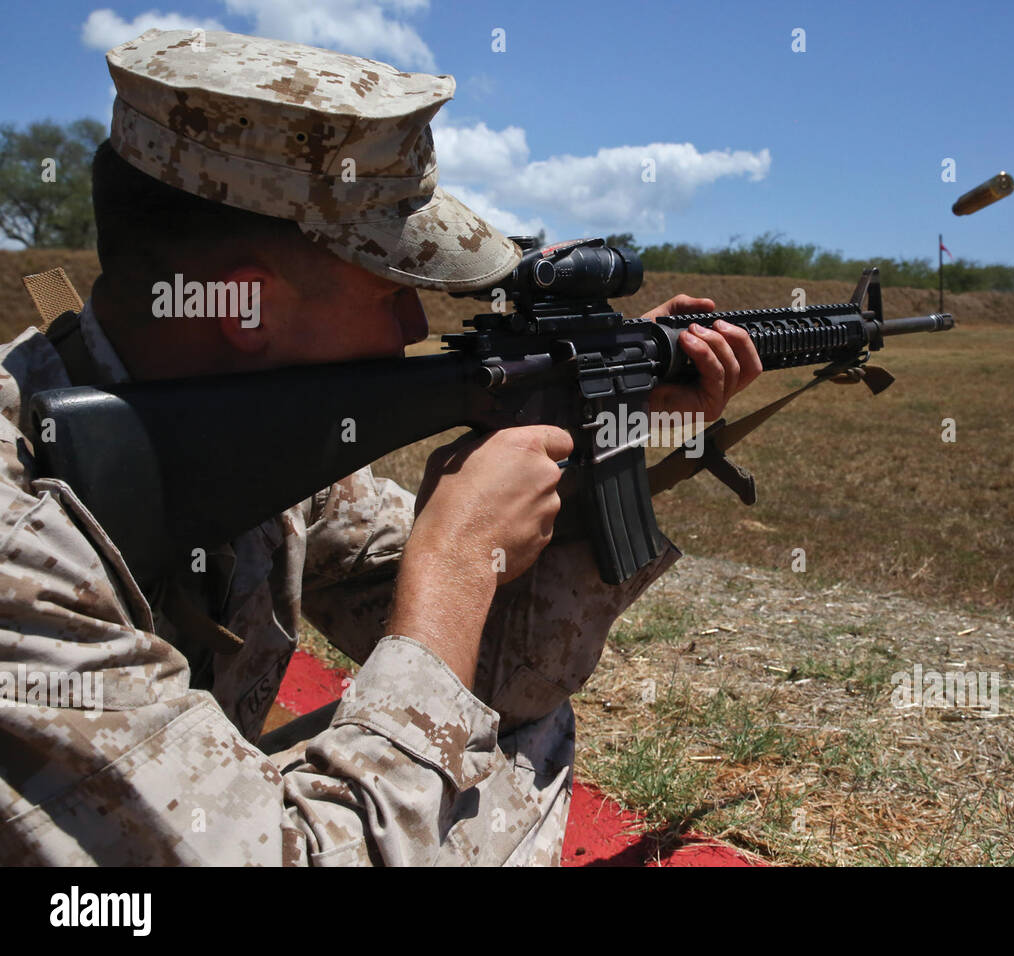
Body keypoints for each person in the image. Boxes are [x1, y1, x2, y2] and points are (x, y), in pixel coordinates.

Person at [0, 28, 760, 865]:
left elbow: (514, 675)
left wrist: (603, 413)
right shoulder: (19, 547)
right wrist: (457, 561)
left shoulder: (264, 444)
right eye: (395, 291)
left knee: (506, 727)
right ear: (242, 308)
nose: (412, 328)